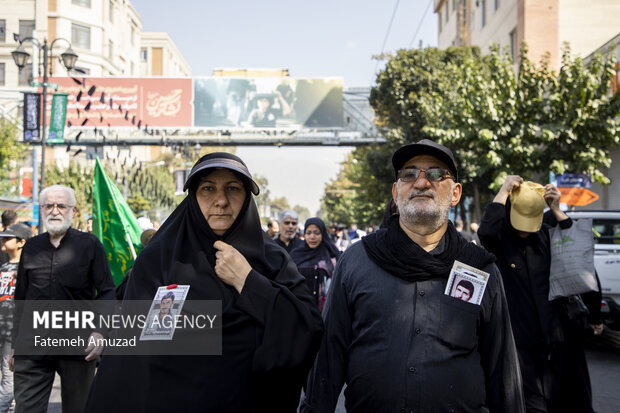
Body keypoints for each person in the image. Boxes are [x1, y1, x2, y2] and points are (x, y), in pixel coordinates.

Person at [85, 152, 323, 412]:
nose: (220, 201)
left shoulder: (273, 260)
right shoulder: (158, 258)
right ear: (193, 197)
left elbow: (307, 328)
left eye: (233, 189)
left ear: (246, 199)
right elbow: (135, 350)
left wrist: (248, 281)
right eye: (208, 188)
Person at [303, 139, 523, 412]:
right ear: (396, 193)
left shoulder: (479, 269)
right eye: (409, 174)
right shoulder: (357, 260)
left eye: (435, 174)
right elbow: (328, 357)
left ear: (455, 194)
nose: (421, 183)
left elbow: (502, 372)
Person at [478, 176, 598, 413]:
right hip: (518, 340)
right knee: (532, 404)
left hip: (553, 338)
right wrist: (503, 190)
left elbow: (576, 252)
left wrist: (556, 209)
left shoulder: (545, 235)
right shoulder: (501, 239)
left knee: (560, 399)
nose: (524, 231)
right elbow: (486, 231)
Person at [10, 185, 115, 413]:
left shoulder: (90, 245)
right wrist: (13, 343)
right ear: (42, 210)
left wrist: (100, 332)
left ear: (73, 211)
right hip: (33, 345)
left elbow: (106, 291)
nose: (54, 211)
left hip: (78, 344)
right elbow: (21, 298)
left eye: (61, 205)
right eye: (48, 205)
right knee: (26, 408)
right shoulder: (31, 247)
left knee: (79, 408)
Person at [0, 223, 31, 413]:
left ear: (21, 243)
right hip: (0, 325)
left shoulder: (27, 268)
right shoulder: (3, 266)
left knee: (8, 375)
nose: (3, 241)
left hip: (13, 329)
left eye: (8, 238)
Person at [290, 218, 341, 310]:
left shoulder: (331, 254)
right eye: (308, 233)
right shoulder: (295, 255)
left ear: (323, 234)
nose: (312, 237)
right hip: (300, 309)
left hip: (325, 310)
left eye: (317, 233)